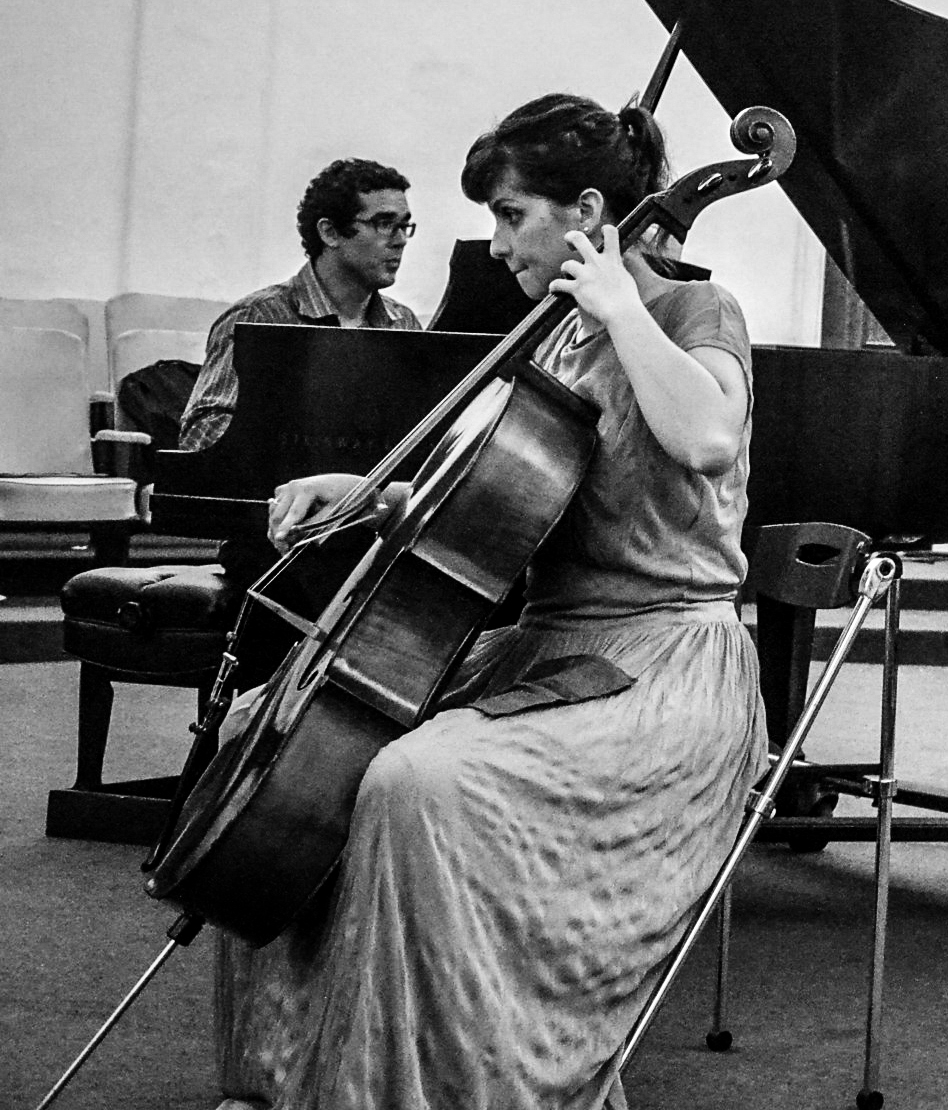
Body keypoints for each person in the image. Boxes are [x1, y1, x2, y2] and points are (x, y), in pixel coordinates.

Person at [213, 93, 766, 1110]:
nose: (497, 241)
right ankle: (296, 1074)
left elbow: (705, 440)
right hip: (548, 650)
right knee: (287, 738)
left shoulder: (694, 310)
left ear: (587, 210)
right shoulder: (548, 338)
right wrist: (371, 497)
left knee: (417, 782)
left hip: (660, 670)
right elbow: (491, 501)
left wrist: (621, 309)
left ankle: (421, 1086)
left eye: (511, 214)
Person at [179, 157, 423, 453]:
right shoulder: (257, 317)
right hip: (279, 493)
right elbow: (199, 435)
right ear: (330, 233)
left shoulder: (404, 323)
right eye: (384, 224)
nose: (400, 241)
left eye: (404, 226)